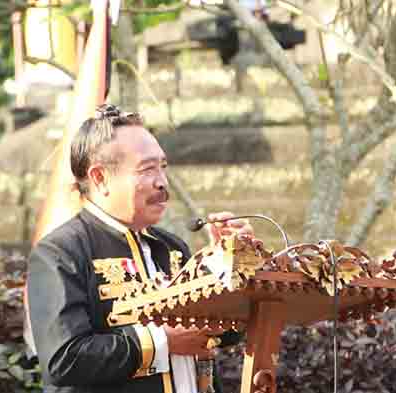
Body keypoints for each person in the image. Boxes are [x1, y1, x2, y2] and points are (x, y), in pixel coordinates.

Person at [27, 104, 253, 393]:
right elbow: (64, 360)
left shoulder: (172, 246)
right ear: (100, 178)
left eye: (163, 166)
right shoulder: (60, 252)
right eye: (147, 169)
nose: (162, 181)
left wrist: (229, 261)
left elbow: (224, 334)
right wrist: (162, 342)